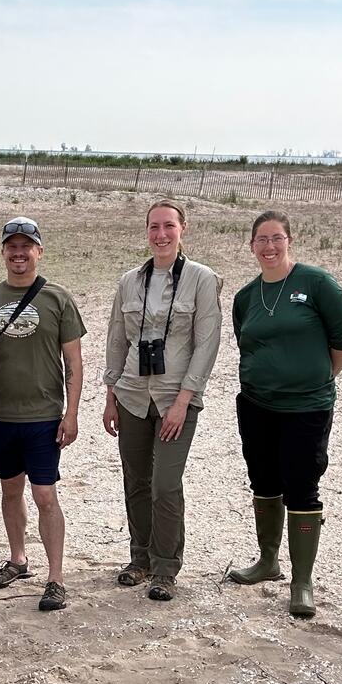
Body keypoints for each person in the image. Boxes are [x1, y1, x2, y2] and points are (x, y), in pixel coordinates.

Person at [226, 211, 342, 618]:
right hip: (256, 405)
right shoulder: (245, 296)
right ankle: (268, 561)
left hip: (307, 407)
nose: (269, 246)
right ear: (251, 246)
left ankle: (301, 581)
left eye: (276, 238)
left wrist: (313, 379)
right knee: (262, 481)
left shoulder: (316, 283)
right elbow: (246, 342)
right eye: (261, 239)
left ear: (289, 241)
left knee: (302, 486)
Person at [101, 200, 221, 603]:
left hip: (176, 397)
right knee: (136, 480)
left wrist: (185, 399)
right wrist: (110, 394)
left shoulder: (203, 279)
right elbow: (117, 338)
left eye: (169, 226)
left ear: (183, 228)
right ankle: (140, 559)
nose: (161, 235)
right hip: (133, 394)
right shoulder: (129, 281)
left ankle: (166, 567)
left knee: (165, 484)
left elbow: (207, 343)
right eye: (154, 227)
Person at [0, 217, 86, 613]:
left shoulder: (57, 298)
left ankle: (55, 577)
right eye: (12, 246)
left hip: (43, 416)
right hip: (0, 415)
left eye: (27, 246)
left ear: (39, 250)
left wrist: (71, 414)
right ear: (3, 251)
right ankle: (18, 560)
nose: (19, 253)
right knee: (9, 490)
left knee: (45, 495)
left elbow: (74, 361)